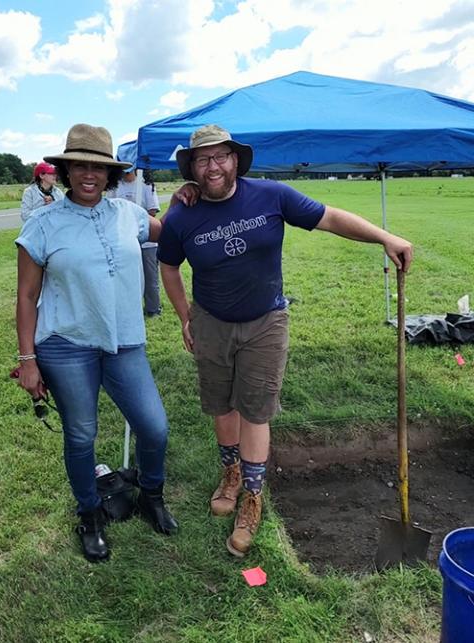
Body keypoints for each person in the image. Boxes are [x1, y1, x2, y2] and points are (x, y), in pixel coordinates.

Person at [157, 124, 413, 558]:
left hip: (265, 321)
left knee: (256, 409)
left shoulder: (271, 195)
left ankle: (252, 497)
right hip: (211, 322)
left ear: (236, 159)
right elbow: (168, 266)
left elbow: (329, 217)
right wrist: (186, 318)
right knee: (222, 405)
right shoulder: (182, 214)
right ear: (192, 168)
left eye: (220, 156)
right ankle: (231, 473)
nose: (213, 166)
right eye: (203, 159)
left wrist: (384, 237)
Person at [15, 123, 178, 563]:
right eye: (80, 166)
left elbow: (173, 232)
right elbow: (27, 296)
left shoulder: (128, 215)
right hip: (66, 346)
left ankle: (151, 495)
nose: (90, 174)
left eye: (99, 168)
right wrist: (27, 359)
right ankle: (89, 514)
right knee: (82, 434)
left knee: (154, 426)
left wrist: (188, 201)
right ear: (67, 171)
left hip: (124, 342)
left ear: (111, 175)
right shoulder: (42, 224)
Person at [107, 165, 162, 317]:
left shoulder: (146, 185)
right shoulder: (115, 186)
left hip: (147, 242)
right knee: (125, 278)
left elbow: (152, 211)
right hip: (121, 241)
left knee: (150, 277)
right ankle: (129, 309)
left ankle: (153, 309)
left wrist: (136, 222)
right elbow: (108, 210)